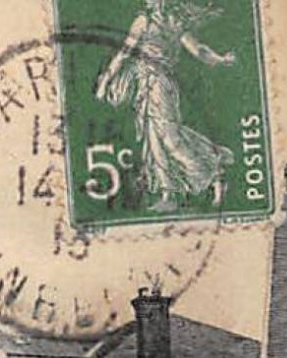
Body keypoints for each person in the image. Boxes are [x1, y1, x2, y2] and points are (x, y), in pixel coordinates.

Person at [94, 0, 237, 213]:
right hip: (146, 84)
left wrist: (221, 59)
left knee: (169, 138)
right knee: (155, 140)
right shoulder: (144, 21)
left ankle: (212, 171)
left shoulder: (175, 22)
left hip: (161, 85)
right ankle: (169, 193)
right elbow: (124, 52)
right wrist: (106, 80)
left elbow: (199, 51)